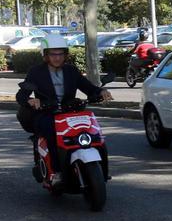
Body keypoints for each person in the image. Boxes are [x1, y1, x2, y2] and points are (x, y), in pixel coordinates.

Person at [15, 35, 112, 183]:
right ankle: (56, 172)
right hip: (47, 114)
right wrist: (30, 100)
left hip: (69, 113)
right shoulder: (36, 72)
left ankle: (102, 169)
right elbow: (21, 94)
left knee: (92, 131)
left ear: (65, 55)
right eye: (53, 54)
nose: (57, 57)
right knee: (51, 132)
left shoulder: (71, 71)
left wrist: (100, 92)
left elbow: (88, 87)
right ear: (46, 55)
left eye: (60, 53)